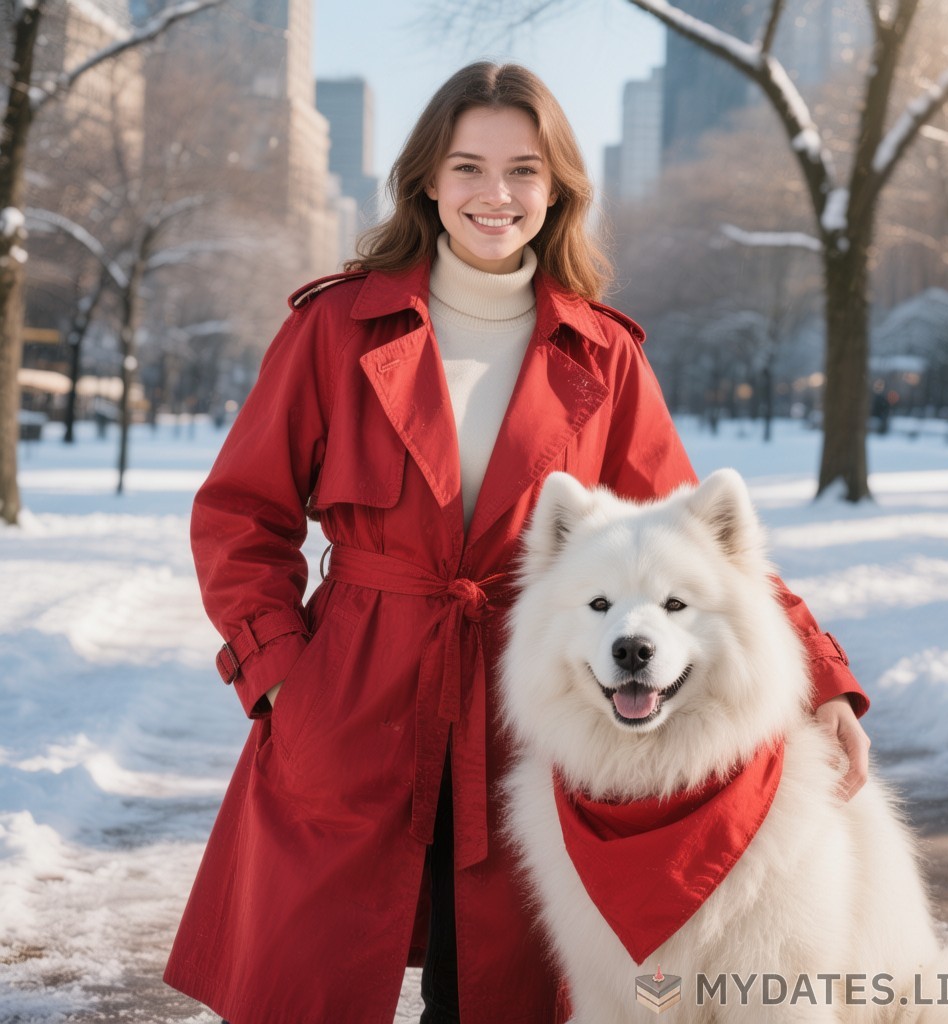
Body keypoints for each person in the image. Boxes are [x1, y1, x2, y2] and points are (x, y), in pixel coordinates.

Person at [164, 62, 870, 1024]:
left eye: (523, 170)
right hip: (355, 690)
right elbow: (241, 515)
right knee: (318, 983)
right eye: (467, 167)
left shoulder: (603, 351)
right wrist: (284, 675)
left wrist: (818, 675)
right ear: (427, 181)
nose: (495, 195)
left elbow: (694, 545)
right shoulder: (335, 325)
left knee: (504, 991)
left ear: (558, 188)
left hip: (527, 708)